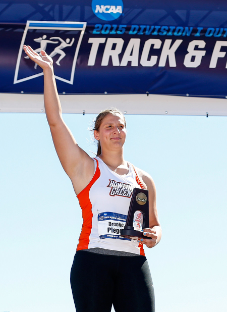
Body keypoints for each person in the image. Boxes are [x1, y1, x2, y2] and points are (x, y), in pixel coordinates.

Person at [23, 45, 162, 312]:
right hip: (92, 260)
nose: (116, 130)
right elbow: (55, 122)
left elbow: (155, 225)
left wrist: (155, 236)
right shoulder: (84, 167)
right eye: (109, 126)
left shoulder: (144, 179)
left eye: (121, 125)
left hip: (134, 263)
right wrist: (49, 72)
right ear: (96, 134)